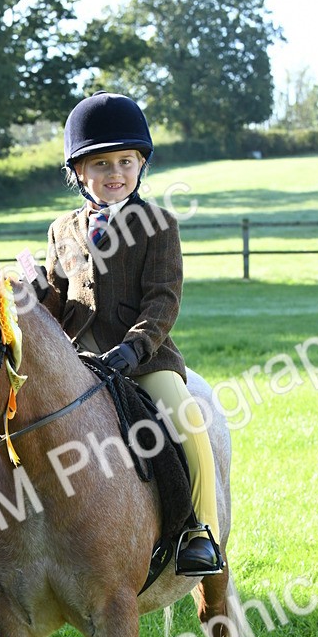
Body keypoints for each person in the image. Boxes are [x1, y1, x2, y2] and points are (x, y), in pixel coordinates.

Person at [38, 91, 223, 575]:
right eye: (101, 164)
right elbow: (57, 300)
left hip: (143, 358)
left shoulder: (158, 225)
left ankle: (199, 531)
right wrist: (36, 293)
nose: (115, 172)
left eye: (126, 161)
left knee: (186, 420)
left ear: (141, 164)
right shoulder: (61, 230)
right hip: (76, 360)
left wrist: (134, 348)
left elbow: (163, 299)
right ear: (78, 172)